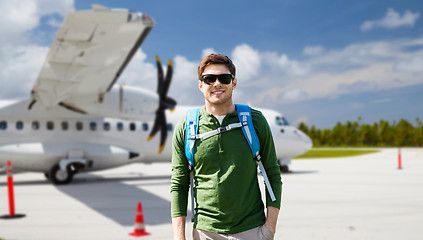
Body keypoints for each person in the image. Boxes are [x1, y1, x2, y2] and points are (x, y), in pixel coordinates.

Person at [171, 53, 282, 240]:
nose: (216, 84)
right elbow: (179, 184)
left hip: (251, 229)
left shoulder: (255, 121)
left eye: (224, 78)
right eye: (209, 79)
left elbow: (272, 174)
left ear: (234, 83)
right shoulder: (186, 127)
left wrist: (269, 229)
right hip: (205, 231)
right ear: (200, 85)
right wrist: (179, 237)